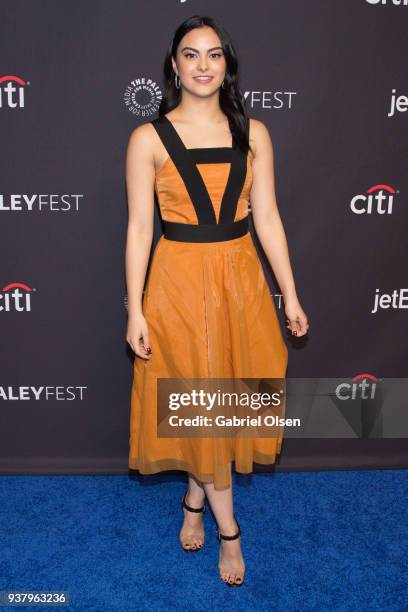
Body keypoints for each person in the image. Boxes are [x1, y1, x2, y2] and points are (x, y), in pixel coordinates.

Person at [125, 15, 309, 587]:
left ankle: (194, 497)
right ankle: (231, 532)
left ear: (226, 64)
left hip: (240, 279)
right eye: (190, 54)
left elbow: (270, 216)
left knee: (226, 398)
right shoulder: (147, 139)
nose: (203, 65)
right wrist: (134, 308)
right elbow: (137, 229)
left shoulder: (254, 133)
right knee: (197, 393)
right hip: (177, 281)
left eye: (213, 54)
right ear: (174, 65)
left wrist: (290, 293)